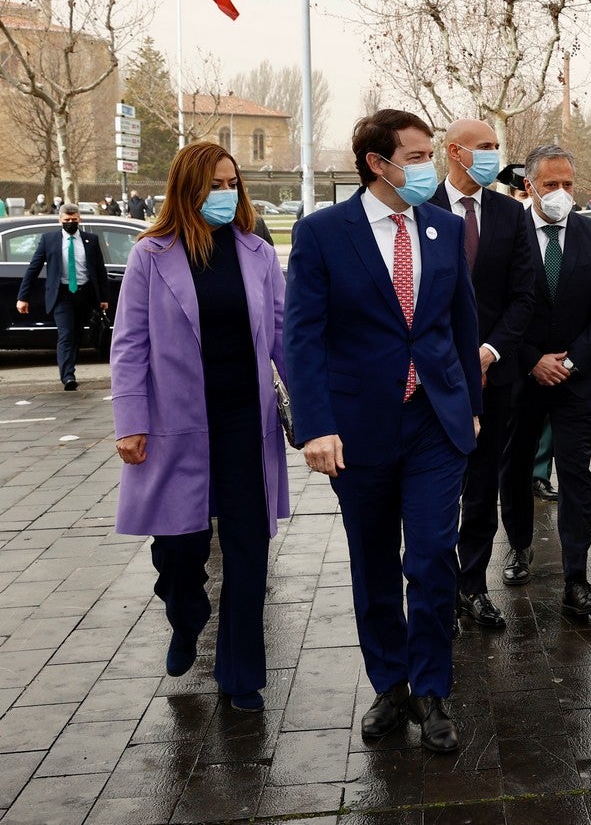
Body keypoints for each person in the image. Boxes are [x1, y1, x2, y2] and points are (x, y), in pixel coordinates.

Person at [285, 109, 484, 752]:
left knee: (429, 558)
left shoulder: (444, 230)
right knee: (372, 564)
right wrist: (316, 426)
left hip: (434, 421)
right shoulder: (321, 234)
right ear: (379, 163)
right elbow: (303, 339)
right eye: (419, 156)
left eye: (431, 156)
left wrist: (471, 405)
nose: (430, 167)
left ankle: (432, 690)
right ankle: (390, 685)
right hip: (359, 429)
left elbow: (461, 326)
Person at [110, 141, 289, 713]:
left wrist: (316, 409)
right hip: (176, 421)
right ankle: (186, 614)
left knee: (247, 547)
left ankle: (241, 675)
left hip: (244, 421)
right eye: (215, 184)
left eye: (232, 183)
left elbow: (285, 337)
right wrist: (131, 421)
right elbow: (130, 344)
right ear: (188, 188)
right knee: (180, 548)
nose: (226, 193)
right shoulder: (151, 255)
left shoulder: (258, 254)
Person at [500, 144, 591, 617]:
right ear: (528, 185)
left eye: (568, 184)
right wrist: (533, 360)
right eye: (550, 185)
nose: (560, 193)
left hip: (578, 380)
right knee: (513, 470)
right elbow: (496, 308)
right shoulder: (508, 235)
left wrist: (571, 361)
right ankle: (518, 546)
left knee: (576, 473)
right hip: (520, 377)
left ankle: (577, 577)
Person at [429, 118, 537, 631]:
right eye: (486, 147)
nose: (495, 155)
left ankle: (471, 586)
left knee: (480, 485)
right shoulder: (419, 208)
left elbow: (525, 293)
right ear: (455, 152)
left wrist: (490, 350)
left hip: (494, 374)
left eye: (498, 147)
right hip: (431, 374)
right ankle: (436, 587)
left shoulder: (511, 214)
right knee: (433, 487)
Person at [16, 204, 111, 390]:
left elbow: (100, 271)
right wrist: (22, 296)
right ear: (59, 220)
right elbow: (33, 268)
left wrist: (103, 298)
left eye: (73, 220)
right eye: (66, 220)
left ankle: (70, 367)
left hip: (85, 294)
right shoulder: (49, 240)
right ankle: (68, 376)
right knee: (66, 334)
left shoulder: (91, 240)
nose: (70, 223)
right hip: (62, 294)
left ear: (80, 219)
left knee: (76, 335)